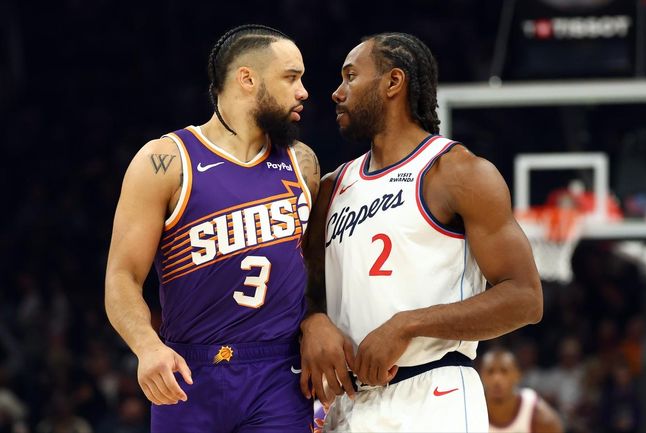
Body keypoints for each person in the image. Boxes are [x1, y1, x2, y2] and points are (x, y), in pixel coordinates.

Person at [299, 32, 543, 433]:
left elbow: (525, 299)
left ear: (393, 82)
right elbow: (306, 292)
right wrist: (312, 321)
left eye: (350, 77)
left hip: (435, 392)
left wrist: (408, 324)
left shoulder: (457, 172)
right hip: (350, 404)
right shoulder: (332, 187)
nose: (337, 93)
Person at [105, 24, 319, 433]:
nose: (303, 91)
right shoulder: (166, 161)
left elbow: (315, 267)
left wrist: (317, 319)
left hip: (279, 372)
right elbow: (122, 276)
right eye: (291, 77)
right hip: (189, 369)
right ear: (247, 79)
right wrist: (147, 346)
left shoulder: (302, 162)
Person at [480, 347, 564, 433]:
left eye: (504, 371)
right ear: (481, 375)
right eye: (490, 371)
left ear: (517, 375)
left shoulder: (534, 410)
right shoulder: (473, 406)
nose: (496, 379)